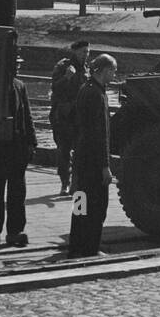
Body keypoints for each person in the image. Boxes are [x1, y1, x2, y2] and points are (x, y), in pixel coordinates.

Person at [66, 53, 115, 258]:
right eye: (113, 70)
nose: (114, 74)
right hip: (93, 162)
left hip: (81, 158)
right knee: (97, 206)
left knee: (80, 204)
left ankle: (76, 245)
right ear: (104, 70)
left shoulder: (85, 90)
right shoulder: (97, 94)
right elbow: (100, 133)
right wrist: (105, 165)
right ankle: (91, 247)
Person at [0, 55, 37, 247]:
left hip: (17, 147)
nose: (16, 68)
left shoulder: (20, 85)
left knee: (17, 193)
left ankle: (15, 231)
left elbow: (27, 116)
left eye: (18, 65)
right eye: (14, 65)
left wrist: (32, 142)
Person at [49, 39, 89, 197]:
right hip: (64, 116)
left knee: (80, 151)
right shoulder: (63, 66)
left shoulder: (88, 68)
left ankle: (76, 183)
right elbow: (55, 88)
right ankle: (65, 182)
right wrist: (66, 77)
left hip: (81, 116)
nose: (85, 55)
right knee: (64, 151)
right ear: (75, 52)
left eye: (87, 52)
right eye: (82, 52)